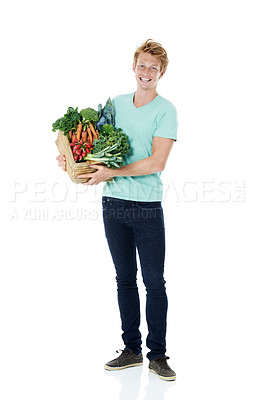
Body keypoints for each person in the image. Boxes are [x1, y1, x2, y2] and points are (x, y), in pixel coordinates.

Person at [56, 39, 178, 381]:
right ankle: (131, 350)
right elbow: (93, 148)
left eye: (154, 67)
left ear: (162, 72)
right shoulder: (116, 104)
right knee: (124, 279)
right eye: (142, 65)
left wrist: (113, 172)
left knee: (154, 282)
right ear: (134, 67)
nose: (147, 72)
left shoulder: (166, 110)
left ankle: (158, 355)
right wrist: (70, 160)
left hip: (147, 208)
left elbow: (158, 162)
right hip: (113, 204)